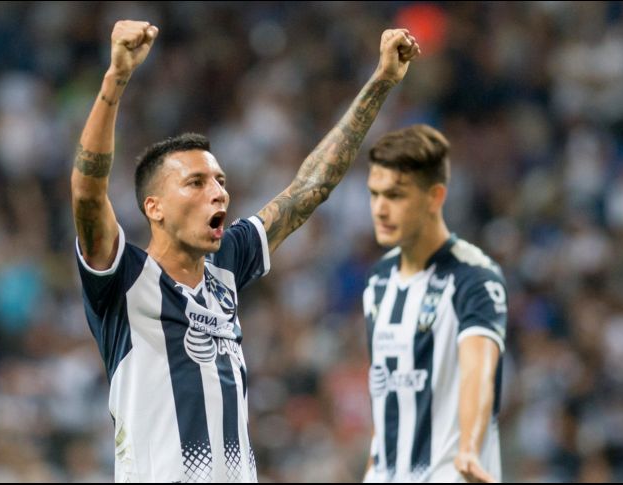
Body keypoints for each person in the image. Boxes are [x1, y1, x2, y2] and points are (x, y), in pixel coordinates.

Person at [71, 20, 419, 482]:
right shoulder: (124, 279)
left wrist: (381, 82)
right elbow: (87, 192)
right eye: (196, 182)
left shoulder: (225, 265)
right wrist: (115, 79)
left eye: (220, 181)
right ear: (153, 207)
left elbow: (309, 189)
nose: (218, 193)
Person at [362, 125, 507, 483]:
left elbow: (479, 371)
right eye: (374, 194)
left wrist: (470, 448)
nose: (380, 208)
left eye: (395, 195)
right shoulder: (378, 281)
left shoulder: (474, 277)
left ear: (435, 197)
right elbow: (385, 394)